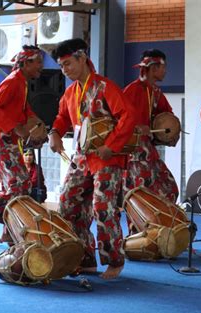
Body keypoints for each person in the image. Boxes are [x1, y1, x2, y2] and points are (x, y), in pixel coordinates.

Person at [49, 38, 137, 279]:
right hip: (82, 158)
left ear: (82, 58)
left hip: (107, 159)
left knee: (102, 208)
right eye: (61, 66)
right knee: (68, 203)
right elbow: (61, 118)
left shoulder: (105, 87)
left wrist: (111, 145)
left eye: (67, 63)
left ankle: (114, 260)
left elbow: (128, 116)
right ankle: (84, 258)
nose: (64, 70)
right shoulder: (70, 93)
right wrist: (54, 132)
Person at [0, 45, 44, 242]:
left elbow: (25, 110)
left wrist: (38, 124)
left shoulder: (22, 82)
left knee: (19, 184)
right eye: (38, 62)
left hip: (8, 140)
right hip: (1, 140)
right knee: (19, 183)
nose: (41, 66)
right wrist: (17, 128)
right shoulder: (12, 81)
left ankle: (9, 230)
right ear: (25, 63)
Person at [122, 49, 179, 205]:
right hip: (134, 151)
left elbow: (169, 117)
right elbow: (118, 120)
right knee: (141, 196)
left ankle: (160, 223)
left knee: (170, 188)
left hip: (148, 151)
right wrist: (137, 127)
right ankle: (140, 227)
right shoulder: (131, 91)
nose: (165, 71)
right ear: (154, 68)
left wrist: (172, 133)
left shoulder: (156, 92)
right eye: (163, 67)